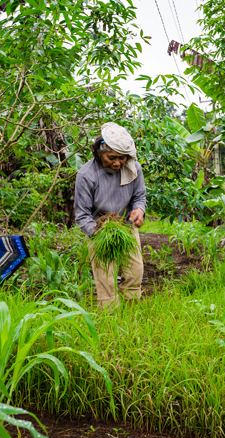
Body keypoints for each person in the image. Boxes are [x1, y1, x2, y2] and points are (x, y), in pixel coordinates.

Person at [74, 122, 146, 309]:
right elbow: (82, 215)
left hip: (126, 227)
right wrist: (100, 233)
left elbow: (139, 196)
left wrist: (139, 209)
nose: (117, 163)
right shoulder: (87, 175)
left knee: (135, 271)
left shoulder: (134, 168)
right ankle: (109, 316)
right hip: (99, 231)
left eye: (122, 158)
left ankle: (132, 311)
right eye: (111, 157)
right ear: (99, 152)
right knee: (106, 277)